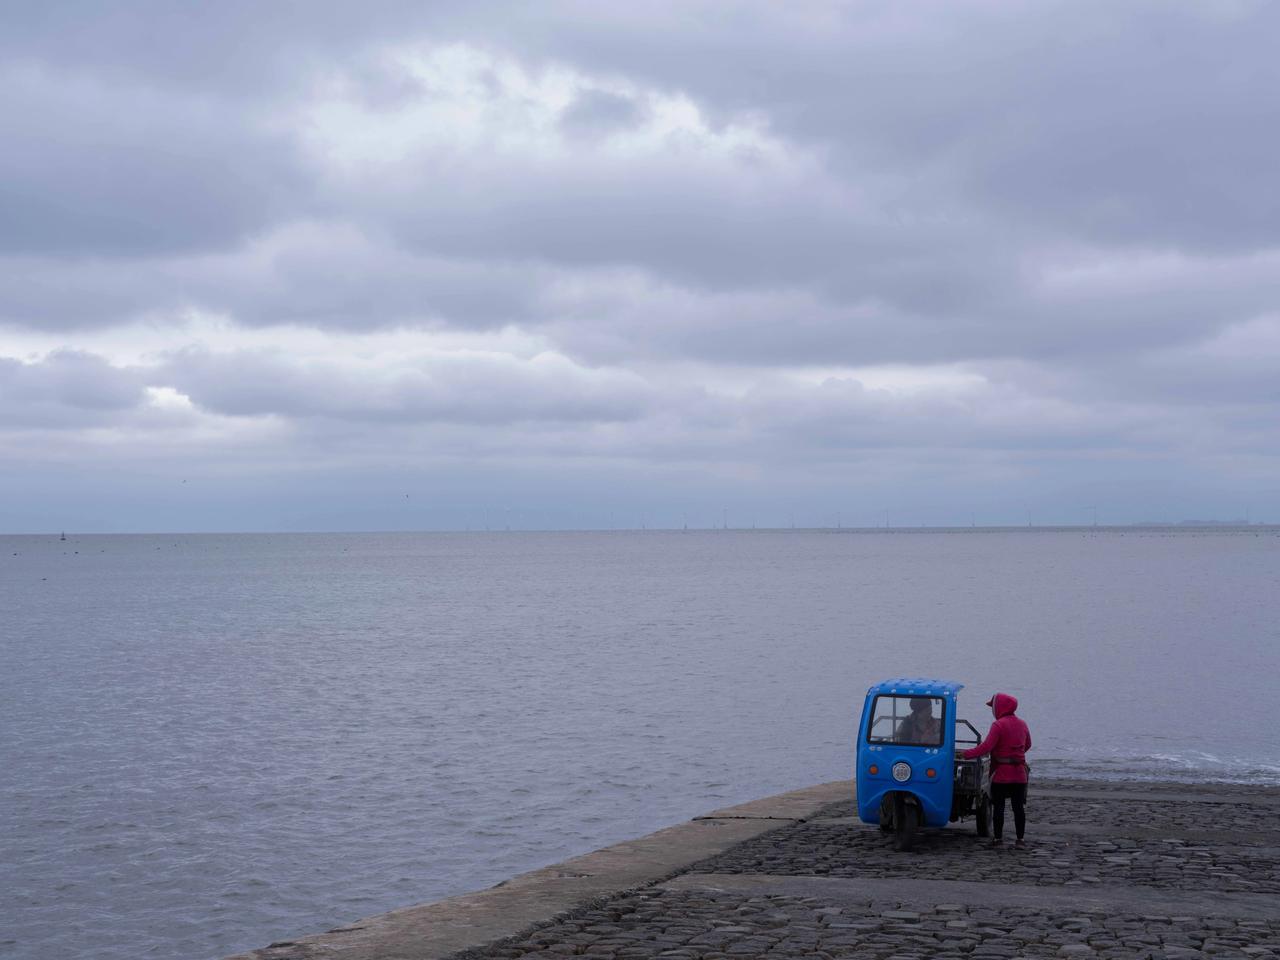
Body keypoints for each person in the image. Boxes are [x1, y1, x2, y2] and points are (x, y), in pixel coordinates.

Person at [963, 692, 1032, 848]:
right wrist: (1016, 755)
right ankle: (1020, 840)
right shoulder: (1022, 724)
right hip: (1020, 774)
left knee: (999, 807)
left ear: (999, 707)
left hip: (1001, 774)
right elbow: (1028, 744)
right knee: (1018, 808)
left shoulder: (998, 725)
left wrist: (967, 754)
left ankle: (998, 839)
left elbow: (986, 747)